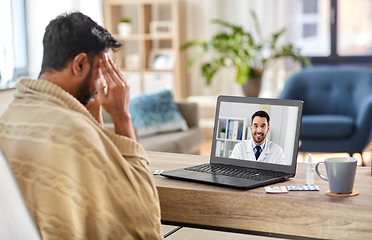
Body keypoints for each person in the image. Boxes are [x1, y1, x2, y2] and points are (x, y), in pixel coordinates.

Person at [0, 12, 163, 239]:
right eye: (103, 70)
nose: (104, 83)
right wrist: (121, 117)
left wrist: (93, 116)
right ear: (80, 64)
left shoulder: (9, 117)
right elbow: (143, 220)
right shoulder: (74, 132)